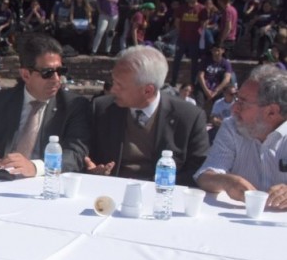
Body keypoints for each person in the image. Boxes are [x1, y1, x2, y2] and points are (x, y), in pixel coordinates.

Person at [0, 35, 91, 176]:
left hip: (46, 185)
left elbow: (75, 153)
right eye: (47, 73)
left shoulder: (73, 106)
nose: (56, 79)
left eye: (61, 71)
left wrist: (35, 167)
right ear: (25, 75)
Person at [85, 45, 210, 186]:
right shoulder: (102, 108)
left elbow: (197, 171)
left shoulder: (189, 117)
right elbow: (85, 154)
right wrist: (93, 171)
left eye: (120, 85)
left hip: (162, 196)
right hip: (110, 192)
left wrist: (149, 186)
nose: (113, 90)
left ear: (147, 91)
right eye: (113, 82)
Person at [195, 65, 287, 209]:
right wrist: (227, 182)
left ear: (272, 112)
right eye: (236, 98)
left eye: (242, 103)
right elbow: (204, 176)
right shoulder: (232, 126)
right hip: (236, 221)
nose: (233, 108)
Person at [196, 44, 233, 109]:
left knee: (222, 102)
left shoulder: (225, 63)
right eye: (214, 50)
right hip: (204, 86)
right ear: (211, 51)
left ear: (223, 51)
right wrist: (206, 90)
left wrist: (216, 91)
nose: (216, 53)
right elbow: (200, 75)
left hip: (218, 88)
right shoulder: (205, 61)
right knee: (199, 103)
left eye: (218, 50)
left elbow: (227, 79)